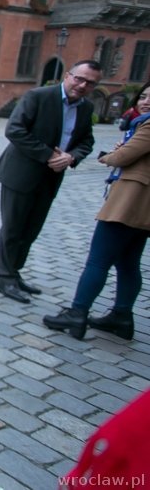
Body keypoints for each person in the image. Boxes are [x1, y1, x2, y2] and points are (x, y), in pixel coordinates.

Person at [43, 82, 150, 340]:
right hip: (144, 208)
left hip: (129, 202)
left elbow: (123, 158)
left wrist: (109, 155)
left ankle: (77, 313)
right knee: (128, 263)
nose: (145, 102)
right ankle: (122, 316)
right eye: (144, 96)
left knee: (99, 260)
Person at [0, 61, 103, 303]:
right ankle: (5, 278)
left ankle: (14, 273)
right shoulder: (38, 96)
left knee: (31, 231)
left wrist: (72, 157)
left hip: (51, 177)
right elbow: (15, 130)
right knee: (13, 229)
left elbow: (86, 141)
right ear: (67, 75)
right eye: (79, 79)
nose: (83, 85)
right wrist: (49, 155)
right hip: (20, 174)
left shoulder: (85, 108)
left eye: (90, 82)